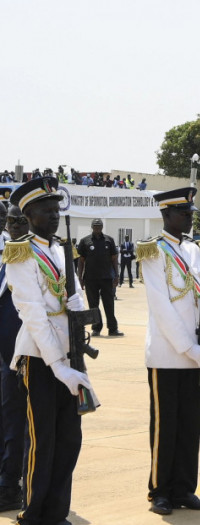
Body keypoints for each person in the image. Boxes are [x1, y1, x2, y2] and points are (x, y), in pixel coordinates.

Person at [3, 177, 95, 524]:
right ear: (28, 214)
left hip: (71, 352)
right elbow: (33, 313)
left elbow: (74, 297)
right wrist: (58, 365)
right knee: (43, 438)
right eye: (46, 209)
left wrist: (79, 303)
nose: (54, 215)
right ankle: (34, 512)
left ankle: (56, 512)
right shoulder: (21, 253)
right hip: (41, 356)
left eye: (56, 209)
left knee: (69, 438)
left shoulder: (62, 250)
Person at [136, 187, 200, 515]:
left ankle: (185, 488)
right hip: (168, 352)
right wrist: (189, 347)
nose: (189, 218)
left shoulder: (193, 251)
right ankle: (160, 491)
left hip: (195, 350)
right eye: (183, 214)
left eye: (190, 214)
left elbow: (194, 299)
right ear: (166, 215)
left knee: (190, 425)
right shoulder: (152, 251)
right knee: (165, 425)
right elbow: (161, 306)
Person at [0, 203, 29, 511]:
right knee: (6, 422)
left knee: (17, 426)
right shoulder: (8, 259)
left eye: (22, 221)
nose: (16, 226)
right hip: (5, 359)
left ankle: (12, 486)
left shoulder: (38, 260)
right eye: (12, 221)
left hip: (23, 360)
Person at [77, 218, 123, 337]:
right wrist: (80, 277)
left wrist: (116, 275)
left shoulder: (109, 240)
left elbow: (114, 259)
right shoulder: (85, 241)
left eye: (99, 226)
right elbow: (81, 261)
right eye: (95, 226)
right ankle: (96, 328)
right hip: (90, 279)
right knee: (93, 304)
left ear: (102, 227)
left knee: (109, 303)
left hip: (107, 278)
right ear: (92, 227)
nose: (97, 228)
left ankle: (113, 329)